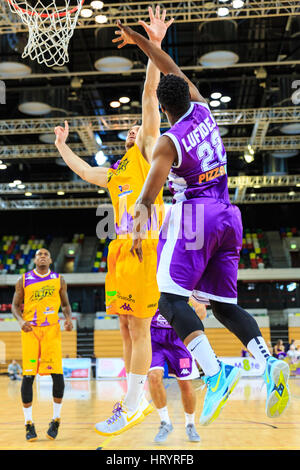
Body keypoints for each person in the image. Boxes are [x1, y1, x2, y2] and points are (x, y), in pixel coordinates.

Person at [116, 17, 290, 423]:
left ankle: (216, 372)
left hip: (196, 216)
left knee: (170, 301)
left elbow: (148, 196)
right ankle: (267, 364)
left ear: (162, 108)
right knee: (224, 305)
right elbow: (170, 66)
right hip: (229, 215)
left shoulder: (167, 142)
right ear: (186, 94)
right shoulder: (202, 109)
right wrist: (145, 42)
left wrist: (136, 228)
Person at [54, 6, 173, 437]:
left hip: (145, 247)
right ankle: (132, 399)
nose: (132, 131)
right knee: (123, 325)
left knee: (139, 325)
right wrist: (63, 146)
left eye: (137, 130)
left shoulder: (147, 153)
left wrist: (153, 48)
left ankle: (134, 402)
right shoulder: (116, 172)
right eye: (127, 132)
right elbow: (85, 171)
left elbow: (148, 99)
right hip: (119, 250)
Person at [11, 248, 73, 442]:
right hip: (30, 332)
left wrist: (68, 318)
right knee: (28, 376)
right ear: (35, 259)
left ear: (51, 259)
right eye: (39, 254)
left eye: (46, 254)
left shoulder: (59, 279)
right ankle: (28, 423)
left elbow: (65, 304)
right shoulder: (23, 280)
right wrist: (21, 322)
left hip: (51, 331)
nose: (43, 256)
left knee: (57, 374)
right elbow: (14, 306)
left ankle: (56, 419)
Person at [149, 298, 205, 444]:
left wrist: (185, 320)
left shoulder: (181, 283)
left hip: (178, 337)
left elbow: (201, 311)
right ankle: (165, 422)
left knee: (185, 384)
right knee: (154, 377)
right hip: (154, 336)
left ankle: (190, 424)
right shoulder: (150, 282)